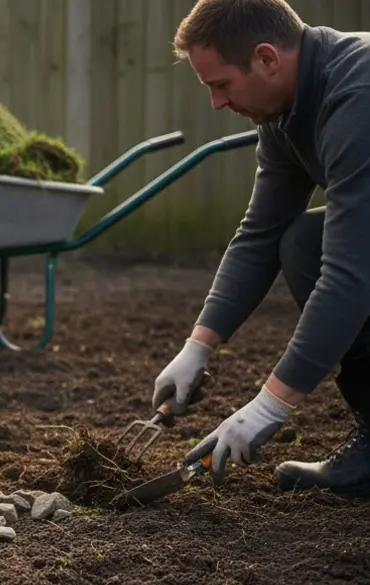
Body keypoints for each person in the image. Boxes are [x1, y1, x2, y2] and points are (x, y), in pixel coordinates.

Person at [157, 0, 370, 495]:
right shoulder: (285, 112)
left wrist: (271, 405)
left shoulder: (358, 97)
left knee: (338, 263)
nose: (215, 102)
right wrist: (197, 347)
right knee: (301, 244)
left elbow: (350, 276)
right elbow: (259, 234)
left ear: (267, 59)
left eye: (220, 84)